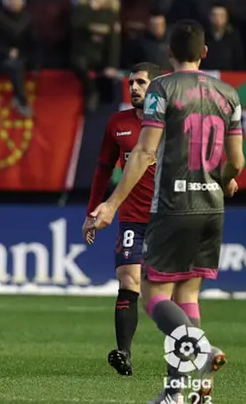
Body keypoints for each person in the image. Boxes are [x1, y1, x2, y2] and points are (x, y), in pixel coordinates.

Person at [88, 20, 244, 404]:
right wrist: (221, 178)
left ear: (170, 54)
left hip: (173, 206)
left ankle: (201, 350)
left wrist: (110, 204)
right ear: (205, 52)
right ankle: (183, 392)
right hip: (212, 205)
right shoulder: (229, 94)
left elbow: (143, 153)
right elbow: (236, 163)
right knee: (188, 294)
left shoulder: (163, 89)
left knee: (155, 296)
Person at [82, 62, 161, 376]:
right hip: (130, 216)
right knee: (128, 281)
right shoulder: (118, 123)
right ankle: (124, 354)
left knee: (162, 292)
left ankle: (189, 349)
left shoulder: (172, 122)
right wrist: (93, 210)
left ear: (157, 86)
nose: (135, 89)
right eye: (132, 84)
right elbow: (103, 167)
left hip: (168, 217)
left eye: (141, 82)